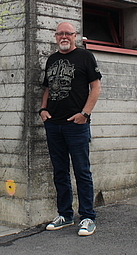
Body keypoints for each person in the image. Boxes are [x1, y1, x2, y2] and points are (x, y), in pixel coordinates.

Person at [39, 22, 102, 236]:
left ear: (75, 36)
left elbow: (96, 88)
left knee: (82, 171)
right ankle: (65, 215)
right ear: (55, 37)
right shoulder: (51, 59)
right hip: (54, 124)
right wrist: (43, 109)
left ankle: (87, 217)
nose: (64, 37)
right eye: (60, 34)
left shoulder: (85, 57)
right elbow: (47, 87)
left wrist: (85, 114)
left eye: (68, 33)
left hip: (76, 125)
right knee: (60, 171)